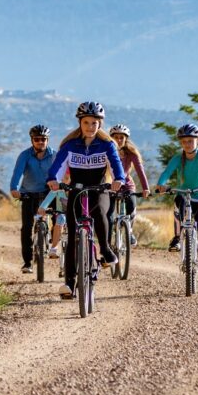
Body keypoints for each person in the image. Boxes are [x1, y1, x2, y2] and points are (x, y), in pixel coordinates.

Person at [46, 101, 125, 299]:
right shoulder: (70, 145)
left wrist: (118, 180)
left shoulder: (107, 145)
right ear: (80, 123)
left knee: (99, 212)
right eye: (86, 122)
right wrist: (53, 180)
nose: (90, 127)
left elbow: (116, 165)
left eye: (94, 123)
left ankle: (106, 250)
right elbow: (57, 166)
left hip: (99, 189)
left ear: (100, 124)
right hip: (76, 190)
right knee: (73, 236)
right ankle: (70, 283)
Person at [154, 123, 198, 281]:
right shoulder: (178, 158)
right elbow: (167, 172)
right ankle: (177, 238)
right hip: (183, 193)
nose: (187, 144)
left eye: (190, 141)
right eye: (184, 141)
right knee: (178, 203)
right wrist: (161, 184)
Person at [9, 125, 56, 274]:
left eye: (43, 139)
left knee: (60, 217)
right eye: (37, 139)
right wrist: (14, 189)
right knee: (27, 227)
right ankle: (27, 262)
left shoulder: (55, 155)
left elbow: (62, 172)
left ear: (47, 140)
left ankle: (53, 245)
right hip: (28, 193)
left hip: (50, 193)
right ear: (32, 140)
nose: (40, 142)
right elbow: (17, 173)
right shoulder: (25, 155)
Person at [108, 123, 150, 244]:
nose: (119, 140)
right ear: (111, 138)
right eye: (116, 137)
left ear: (126, 139)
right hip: (110, 185)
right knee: (108, 212)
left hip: (126, 184)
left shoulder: (131, 153)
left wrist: (145, 188)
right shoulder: (107, 152)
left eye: (122, 137)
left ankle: (129, 230)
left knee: (131, 204)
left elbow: (140, 170)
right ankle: (108, 238)